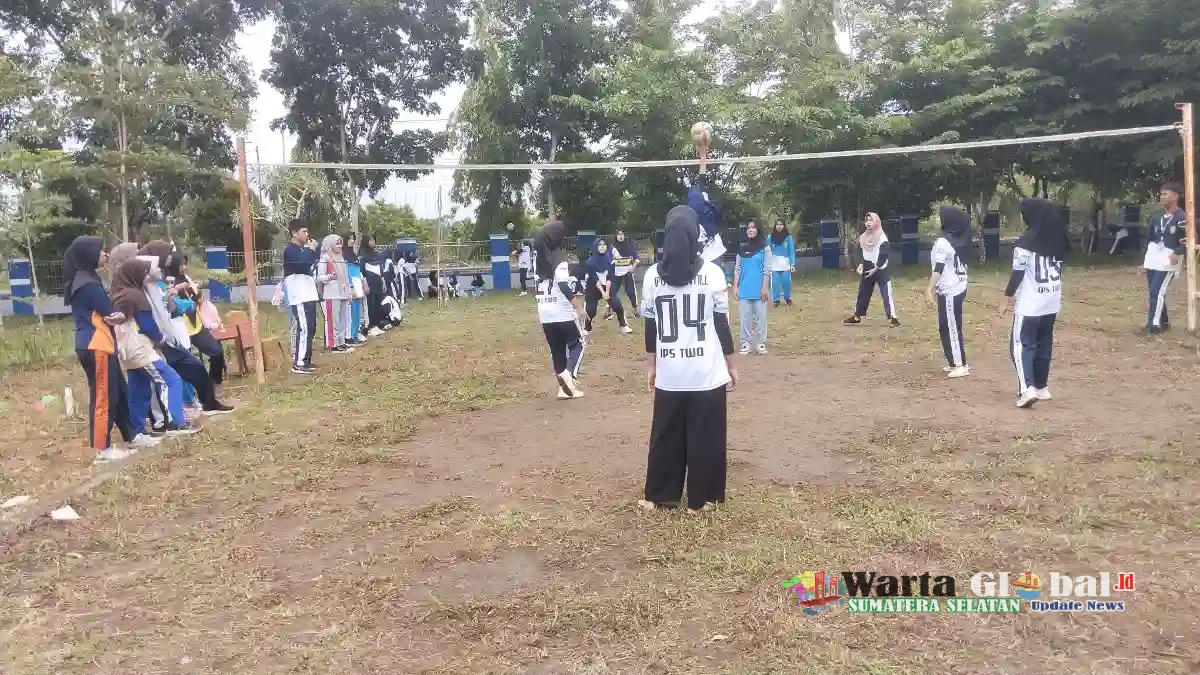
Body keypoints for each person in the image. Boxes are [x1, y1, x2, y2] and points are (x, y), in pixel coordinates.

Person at [639, 205, 737, 514]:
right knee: (705, 435)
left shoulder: (652, 276)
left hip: (670, 372)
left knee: (666, 435)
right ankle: (702, 498)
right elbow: (721, 324)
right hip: (705, 372)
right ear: (696, 235)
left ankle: (660, 496)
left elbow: (650, 327)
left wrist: (652, 367)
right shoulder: (712, 273)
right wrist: (732, 364)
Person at [138, 241, 234, 416]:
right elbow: (166, 309)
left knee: (193, 367)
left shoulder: (158, 281)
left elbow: (171, 305)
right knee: (172, 377)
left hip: (175, 332)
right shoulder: (150, 285)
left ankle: (203, 402)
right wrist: (180, 301)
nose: (171, 258)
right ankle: (175, 415)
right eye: (168, 255)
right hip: (166, 335)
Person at [64, 236, 139, 462]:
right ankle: (102, 449)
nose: (106, 254)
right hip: (96, 344)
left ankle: (133, 436)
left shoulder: (86, 278)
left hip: (102, 343)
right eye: (101, 250)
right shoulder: (86, 283)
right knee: (104, 397)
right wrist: (119, 314)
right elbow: (107, 310)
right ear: (88, 254)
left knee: (119, 392)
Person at [109, 258, 198, 437]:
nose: (146, 277)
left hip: (127, 351)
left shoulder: (118, 293)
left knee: (139, 390)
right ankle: (176, 423)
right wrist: (161, 338)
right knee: (171, 380)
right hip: (141, 350)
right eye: (144, 273)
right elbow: (147, 325)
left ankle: (137, 431)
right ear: (134, 274)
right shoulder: (136, 295)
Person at [999, 198, 1069, 409]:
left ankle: (1026, 389)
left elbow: (1018, 274)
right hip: (1052, 299)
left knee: (1021, 344)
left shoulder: (1025, 242)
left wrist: (1005, 299)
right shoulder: (1059, 240)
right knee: (1044, 341)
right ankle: (1041, 386)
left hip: (1031, 302)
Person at [534, 220, 586, 399]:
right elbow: (563, 285)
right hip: (562, 312)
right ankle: (568, 375)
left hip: (545, 313)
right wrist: (577, 305)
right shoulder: (559, 259)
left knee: (557, 349)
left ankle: (563, 389)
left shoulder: (538, 259)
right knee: (578, 344)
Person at [164, 254, 225, 386]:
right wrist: (178, 289)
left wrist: (196, 291)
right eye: (181, 264)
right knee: (187, 361)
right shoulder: (167, 283)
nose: (184, 267)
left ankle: (214, 380)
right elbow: (169, 304)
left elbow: (196, 298)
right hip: (180, 327)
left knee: (216, 351)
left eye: (185, 264)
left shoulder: (186, 278)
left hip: (195, 324)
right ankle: (192, 389)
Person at [926, 206, 972, 378]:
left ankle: (961, 365)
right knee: (946, 326)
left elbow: (938, 268)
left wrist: (929, 289)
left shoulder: (943, 243)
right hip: (958, 288)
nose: (939, 220)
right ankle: (954, 361)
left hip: (950, 290)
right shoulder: (961, 240)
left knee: (951, 327)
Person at [1142, 182, 1187, 334]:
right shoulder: (1156, 218)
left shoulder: (1182, 217)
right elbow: (1149, 239)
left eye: (1165, 194)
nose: (1161, 197)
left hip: (1169, 257)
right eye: (1161, 194)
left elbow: (1188, 238)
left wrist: (1178, 251)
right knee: (1154, 290)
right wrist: (1144, 258)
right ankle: (1164, 321)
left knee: (1157, 290)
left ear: (1175, 196)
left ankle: (1153, 326)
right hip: (1153, 256)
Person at [844, 212, 899, 326]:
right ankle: (857, 316)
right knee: (863, 292)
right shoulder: (863, 237)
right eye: (867, 220)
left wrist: (876, 269)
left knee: (886, 293)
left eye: (871, 220)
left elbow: (883, 255)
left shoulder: (882, 238)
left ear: (876, 222)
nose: (868, 222)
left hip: (880, 268)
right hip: (867, 267)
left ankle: (892, 318)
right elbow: (858, 251)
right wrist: (860, 264)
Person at [282, 221, 322, 373]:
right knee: (304, 327)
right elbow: (302, 265)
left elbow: (312, 261)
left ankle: (306, 359)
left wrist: (313, 251)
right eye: (304, 231)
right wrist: (310, 251)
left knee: (311, 327)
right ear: (294, 233)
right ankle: (298, 363)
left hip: (308, 292)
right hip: (298, 294)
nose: (307, 234)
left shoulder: (303, 249)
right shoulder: (290, 250)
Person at [733, 218, 770, 355]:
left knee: (761, 318)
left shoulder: (765, 247)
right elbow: (738, 268)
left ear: (758, 229)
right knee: (745, 319)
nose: (751, 230)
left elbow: (767, 269)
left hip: (760, 289)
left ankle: (761, 343)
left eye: (754, 227)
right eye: (749, 227)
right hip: (744, 289)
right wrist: (735, 287)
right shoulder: (742, 248)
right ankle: (745, 343)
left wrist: (764, 287)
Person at [584, 238, 632, 335]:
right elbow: (595, 279)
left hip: (607, 284)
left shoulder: (611, 261)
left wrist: (607, 292)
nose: (602, 246)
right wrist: (602, 292)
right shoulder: (590, 262)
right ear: (596, 247)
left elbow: (610, 277)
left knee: (617, 305)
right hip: (593, 286)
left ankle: (623, 325)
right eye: (600, 245)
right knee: (591, 310)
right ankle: (587, 326)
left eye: (604, 244)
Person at [319, 234, 354, 353]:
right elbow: (319, 278)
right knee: (333, 320)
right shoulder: (325, 258)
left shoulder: (341, 257)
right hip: (332, 293)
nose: (339, 246)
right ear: (330, 244)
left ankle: (342, 342)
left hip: (343, 292)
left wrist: (349, 291)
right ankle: (334, 345)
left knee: (343, 319)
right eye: (337, 243)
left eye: (340, 243)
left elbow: (345, 276)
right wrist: (330, 277)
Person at [341, 233, 367, 344]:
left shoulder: (353, 255)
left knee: (357, 311)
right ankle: (349, 336)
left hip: (357, 285)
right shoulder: (342, 256)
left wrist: (362, 283)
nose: (352, 241)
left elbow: (359, 271)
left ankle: (355, 333)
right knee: (350, 312)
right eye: (350, 239)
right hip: (349, 286)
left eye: (353, 239)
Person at [611, 230, 640, 315]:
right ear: (615, 236)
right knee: (612, 292)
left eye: (622, 234)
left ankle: (636, 310)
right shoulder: (612, 248)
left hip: (627, 273)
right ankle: (608, 311)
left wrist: (634, 266)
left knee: (631, 292)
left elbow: (637, 258)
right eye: (618, 234)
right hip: (616, 274)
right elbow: (608, 260)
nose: (620, 236)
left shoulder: (629, 246)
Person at [768, 218, 796, 307]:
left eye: (781, 224)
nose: (779, 226)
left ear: (784, 226)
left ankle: (787, 298)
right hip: (774, 263)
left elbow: (791, 251)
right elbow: (767, 251)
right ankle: (776, 300)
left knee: (786, 281)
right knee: (775, 283)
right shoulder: (770, 237)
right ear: (775, 226)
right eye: (777, 224)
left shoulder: (788, 237)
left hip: (785, 263)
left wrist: (792, 264)